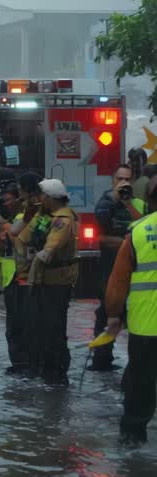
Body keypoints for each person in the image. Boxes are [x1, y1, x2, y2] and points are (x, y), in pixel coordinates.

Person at [104, 178, 157, 446]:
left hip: (145, 324)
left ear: (149, 201)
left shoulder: (137, 233)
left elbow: (118, 281)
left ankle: (132, 436)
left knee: (141, 381)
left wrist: (114, 315)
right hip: (144, 323)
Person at [92, 163, 146, 371]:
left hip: (135, 270)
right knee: (106, 311)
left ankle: (136, 361)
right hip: (110, 267)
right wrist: (116, 198)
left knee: (132, 314)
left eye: (127, 179)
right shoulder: (106, 201)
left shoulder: (139, 204)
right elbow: (102, 225)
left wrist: (128, 204)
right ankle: (102, 359)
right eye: (119, 179)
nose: (123, 183)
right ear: (113, 180)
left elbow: (145, 226)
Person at [26, 178, 78, 385]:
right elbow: (25, 236)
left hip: (57, 282)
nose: (39, 200)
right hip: (46, 281)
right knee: (44, 327)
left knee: (54, 329)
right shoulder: (49, 216)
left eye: (41, 196)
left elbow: (48, 251)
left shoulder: (62, 220)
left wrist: (31, 269)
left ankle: (57, 373)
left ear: (50, 197)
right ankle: (48, 370)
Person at [0, 195, 28, 373]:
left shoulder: (19, 221)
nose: (7, 203)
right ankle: (22, 365)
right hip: (15, 279)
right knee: (17, 326)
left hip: (20, 279)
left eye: (9, 199)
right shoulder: (18, 219)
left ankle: (23, 366)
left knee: (18, 326)